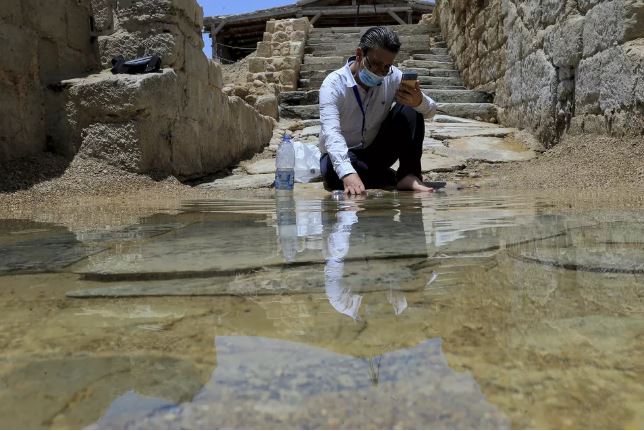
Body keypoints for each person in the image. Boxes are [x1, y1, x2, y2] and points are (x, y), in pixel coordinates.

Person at [319, 26, 438, 195]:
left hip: (376, 151)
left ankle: (408, 176)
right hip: (344, 153)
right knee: (333, 172)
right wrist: (347, 173)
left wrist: (419, 101)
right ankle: (384, 177)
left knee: (410, 109)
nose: (379, 72)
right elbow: (331, 133)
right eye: (375, 64)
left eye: (386, 67)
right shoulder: (332, 85)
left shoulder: (392, 76)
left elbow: (431, 110)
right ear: (359, 54)